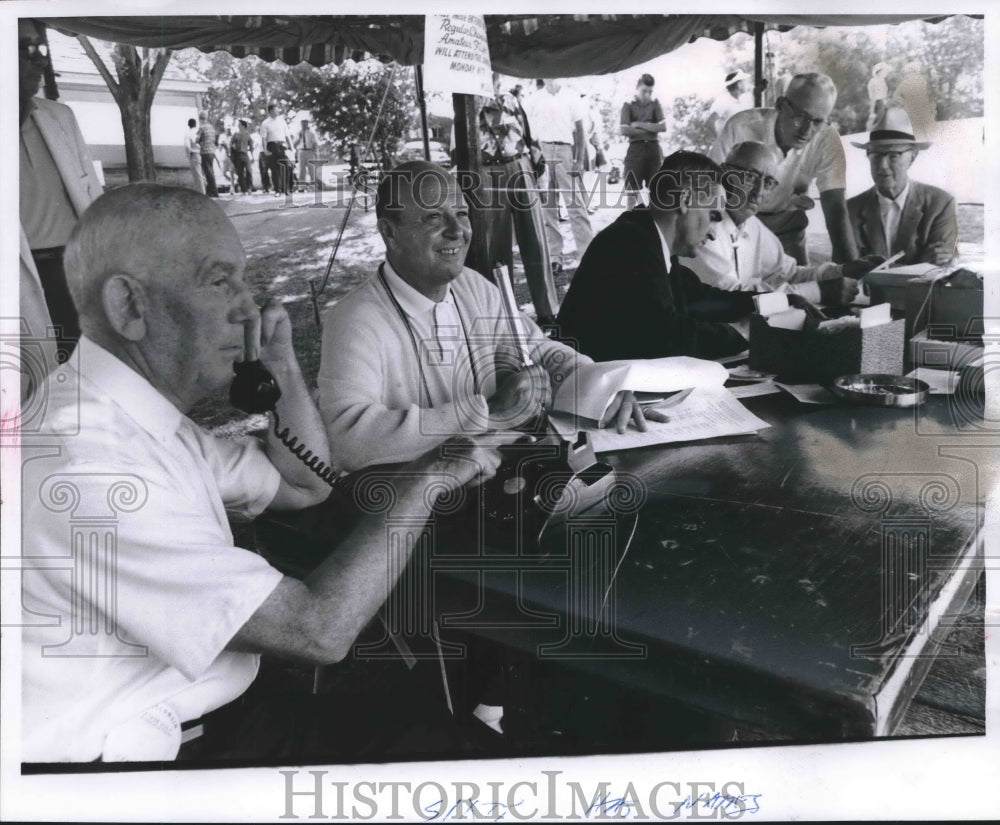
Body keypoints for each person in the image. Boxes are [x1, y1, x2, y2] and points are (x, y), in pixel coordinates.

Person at [20, 183, 514, 763]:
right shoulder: (92, 469)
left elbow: (307, 486)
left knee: (428, 721)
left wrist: (277, 366)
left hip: (223, 714)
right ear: (130, 306)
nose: (249, 308)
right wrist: (428, 480)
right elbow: (318, 631)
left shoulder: (126, 417)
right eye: (218, 281)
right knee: (460, 757)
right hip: (150, 767)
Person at [317, 162, 648, 473]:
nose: (456, 230)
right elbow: (347, 441)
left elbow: (540, 351)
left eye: (461, 213)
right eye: (433, 218)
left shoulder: (472, 286)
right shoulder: (353, 320)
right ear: (389, 233)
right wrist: (490, 412)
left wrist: (602, 388)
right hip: (419, 511)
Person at [555, 151, 754, 362]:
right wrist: (742, 332)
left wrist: (772, 302)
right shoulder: (628, 243)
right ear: (684, 199)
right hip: (584, 385)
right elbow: (665, 334)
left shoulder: (647, 237)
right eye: (713, 216)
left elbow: (701, 299)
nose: (714, 233)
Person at [18, 18, 103, 396]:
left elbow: (92, 198)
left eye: (40, 48)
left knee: (98, 379)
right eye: (23, 48)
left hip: (77, 269)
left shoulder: (60, 117)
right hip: (22, 282)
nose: (38, 60)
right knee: (43, 393)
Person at [687, 142, 883, 304]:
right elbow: (729, 297)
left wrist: (842, 271)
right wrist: (817, 292)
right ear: (724, 173)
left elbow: (788, 274)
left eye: (769, 182)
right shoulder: (702, 229)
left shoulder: (753, 227)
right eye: (750, 177)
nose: (759, 191)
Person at [710, 72, 857, 266]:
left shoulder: (827, 140)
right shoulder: (740, 126)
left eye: (817, 122)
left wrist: (847, 270)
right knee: (740, 291)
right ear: (780, 105)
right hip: (736, 225)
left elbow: (836, 209)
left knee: (800, 288)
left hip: (789, 229)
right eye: (800, 116)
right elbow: (714, 189)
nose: (806, 130)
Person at [472, 72, 560, 325]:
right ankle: (503, 314)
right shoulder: (467, 103)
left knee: (535, 238)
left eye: (493, 73)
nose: (491, 77)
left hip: (519, 165)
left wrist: (537, 165)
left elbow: (529, 134)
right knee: (496, 247)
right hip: (488, 173)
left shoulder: (511, 99)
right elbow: (460, 147)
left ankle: (548, 311)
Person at [847, 106, 957, 266]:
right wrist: (920, 263)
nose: (883, 166)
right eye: (876, 155)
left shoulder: (940, 204)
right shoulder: (851, 209)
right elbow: (847, 269)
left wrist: (876, 270)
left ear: (912, 158)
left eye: (893, 155)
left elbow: (939, 270)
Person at [523, 79, 593, 275]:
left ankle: (588, 256)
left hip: (564, 151)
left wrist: (579, 160)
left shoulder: (571, 96)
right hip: (542, 152)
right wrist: (532, 154)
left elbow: (581, 131)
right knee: (548, 207)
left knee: (576, 206)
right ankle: (554, 257)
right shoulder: (533, 100)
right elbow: (524, 129)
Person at [620, 73, 666, 210]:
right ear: (637, 87)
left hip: (653, 150)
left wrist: (638, 124)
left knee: (656, 189)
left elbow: (663, 127)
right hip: (635, 150)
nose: (647, 94)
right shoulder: (628, 105)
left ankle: (655, 222)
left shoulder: (655, 104)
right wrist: (651, 129)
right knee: (632, 190)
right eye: (644, 91)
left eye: (650, 91)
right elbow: (624, 130)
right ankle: (629, 218)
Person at [707, 70, 753, 138]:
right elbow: (710, 122)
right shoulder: (723, 101)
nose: (748, 85)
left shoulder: (742, 100)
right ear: (739, 85)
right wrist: (720, 141)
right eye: (745, 82)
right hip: (728, 145)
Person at [260, 103, 292, 195]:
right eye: (275, 109)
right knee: (275, 169)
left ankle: (286, 189)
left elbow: (287, 135)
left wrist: (291, 147)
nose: (277, 111)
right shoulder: (265, 123)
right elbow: (264, 138)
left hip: (282, 146)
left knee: (286, 167)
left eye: (278, 109)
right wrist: (265, 150)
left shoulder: (282, 121)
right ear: (270, 111)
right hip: (272, 146)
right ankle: (277, 190)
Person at [195, 111, 218, 197]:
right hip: (212, 152)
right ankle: (210, 190)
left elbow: (197, 140)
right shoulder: (211, 128)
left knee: (207, 172)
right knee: (210, 171)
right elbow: (214, 140)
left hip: (204, 152)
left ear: (200, 119)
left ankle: (214, 191)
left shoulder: (202, 128)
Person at [229, 119, 254, 194]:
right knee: (240, 173)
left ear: (243, 126)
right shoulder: (235, 134)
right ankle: (243, 190)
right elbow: (231, 145)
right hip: (237, 155)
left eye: (239, 125)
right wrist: (231, 154)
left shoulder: (248, 135)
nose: (238, 126)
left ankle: (249, 188)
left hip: (246, 154)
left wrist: (251, 154)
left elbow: (251, 145)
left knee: (249, 171)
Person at [866, 62, 891, 131]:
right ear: (879, 71)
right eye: (885, 71)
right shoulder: (874, 81)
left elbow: (884, 94)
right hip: (877, 103)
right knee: (877, 122)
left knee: (883, 123)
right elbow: (873, 96)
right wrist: (872, 111)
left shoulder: (882, 81)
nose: (886, 73)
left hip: (883, 103)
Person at [184, 117, 205, 194]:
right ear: (195, 124)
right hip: (203, 154)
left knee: (198, 176)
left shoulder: (188, 134)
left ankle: (202, 193)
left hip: (194, 155)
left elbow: (187, 146)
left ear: (188, 125)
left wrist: (188, 155)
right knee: (202, 175)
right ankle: (205, 190)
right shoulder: (200, 132)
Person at [296, 119, 318, 185]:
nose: (304, 124)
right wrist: (299, 138)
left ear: (307, 124)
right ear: (300, 124)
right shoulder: (298, 133)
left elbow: (315, 143)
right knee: (301, 169)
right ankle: (301, 186)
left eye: (305, 123)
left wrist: (313, 152)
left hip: (309, 151)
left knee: (311, 169)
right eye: (302, 123)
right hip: (301, 151)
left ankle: (313, 185)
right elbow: (294, 144)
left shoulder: (311, 133)